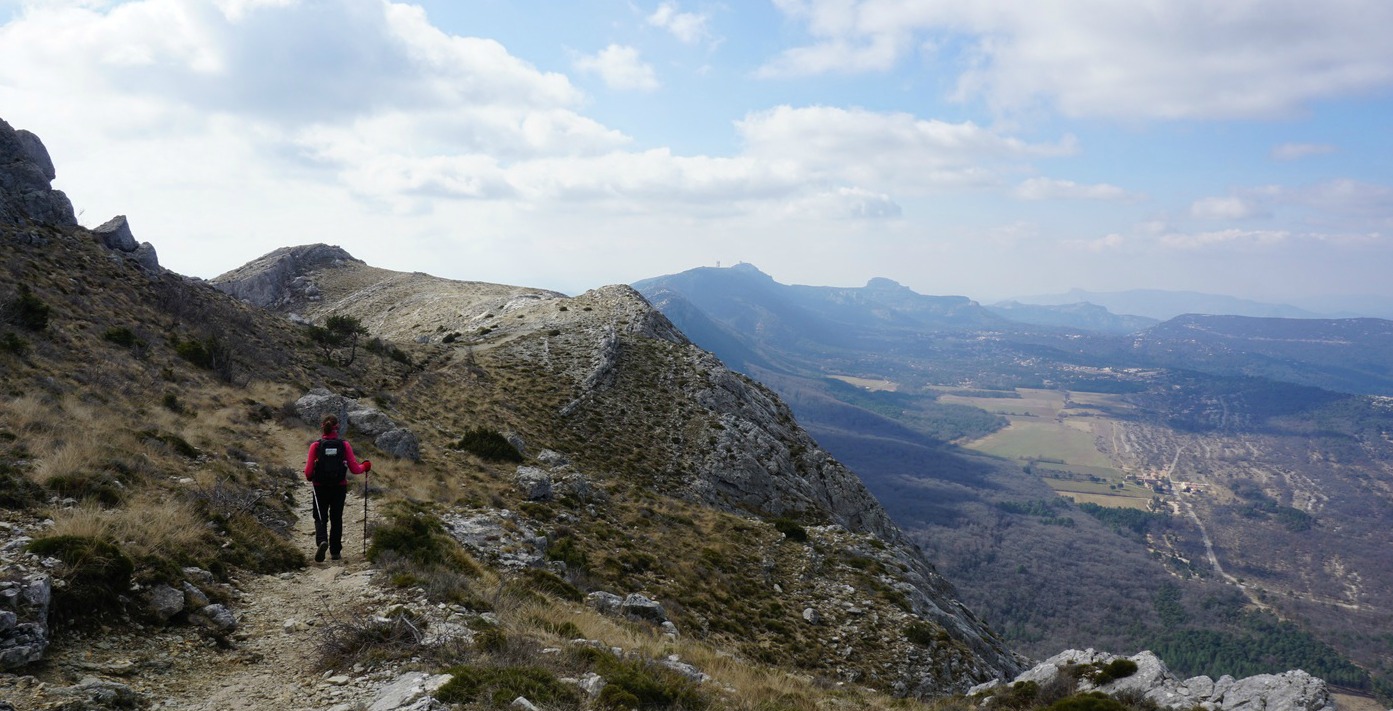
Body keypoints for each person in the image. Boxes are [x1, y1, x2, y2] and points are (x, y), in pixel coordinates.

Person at [303, 414, 370, 562]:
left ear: (323, 427)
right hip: (339, 487)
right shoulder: (344, 445)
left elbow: (308, 473)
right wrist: (365, 466)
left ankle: (322, 541)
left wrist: (311, 476)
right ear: (337, 428)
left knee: (320, 517)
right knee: (336, 518)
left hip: (320, 487)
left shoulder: (316, 446)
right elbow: (355, 469)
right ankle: (335, 552)